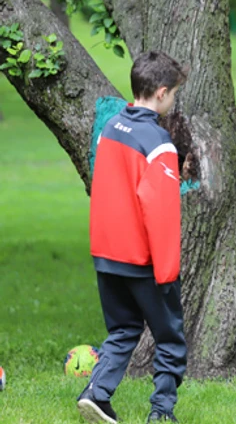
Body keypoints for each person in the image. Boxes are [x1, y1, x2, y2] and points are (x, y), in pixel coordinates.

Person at [77, 51, 188, 424]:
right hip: (143, 260)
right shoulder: (158, 143)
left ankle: (96, 393)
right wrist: (167, 271)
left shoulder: (110, 127)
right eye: (173, 93)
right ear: (161, 92)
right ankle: (162, 412)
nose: (173, 100)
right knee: (169, 338)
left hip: (105, 253)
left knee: (123, 329)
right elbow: (162, 212)